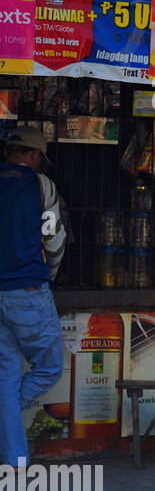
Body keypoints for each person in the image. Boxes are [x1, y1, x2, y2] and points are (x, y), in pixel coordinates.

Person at [0, 126, 66, 468]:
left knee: (6, 378)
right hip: (28, 290)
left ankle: (16, 460)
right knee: (51, 366)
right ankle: (13, 456)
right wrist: (47, 277)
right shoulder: (41, 186)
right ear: (35, 156)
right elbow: (52, 240)